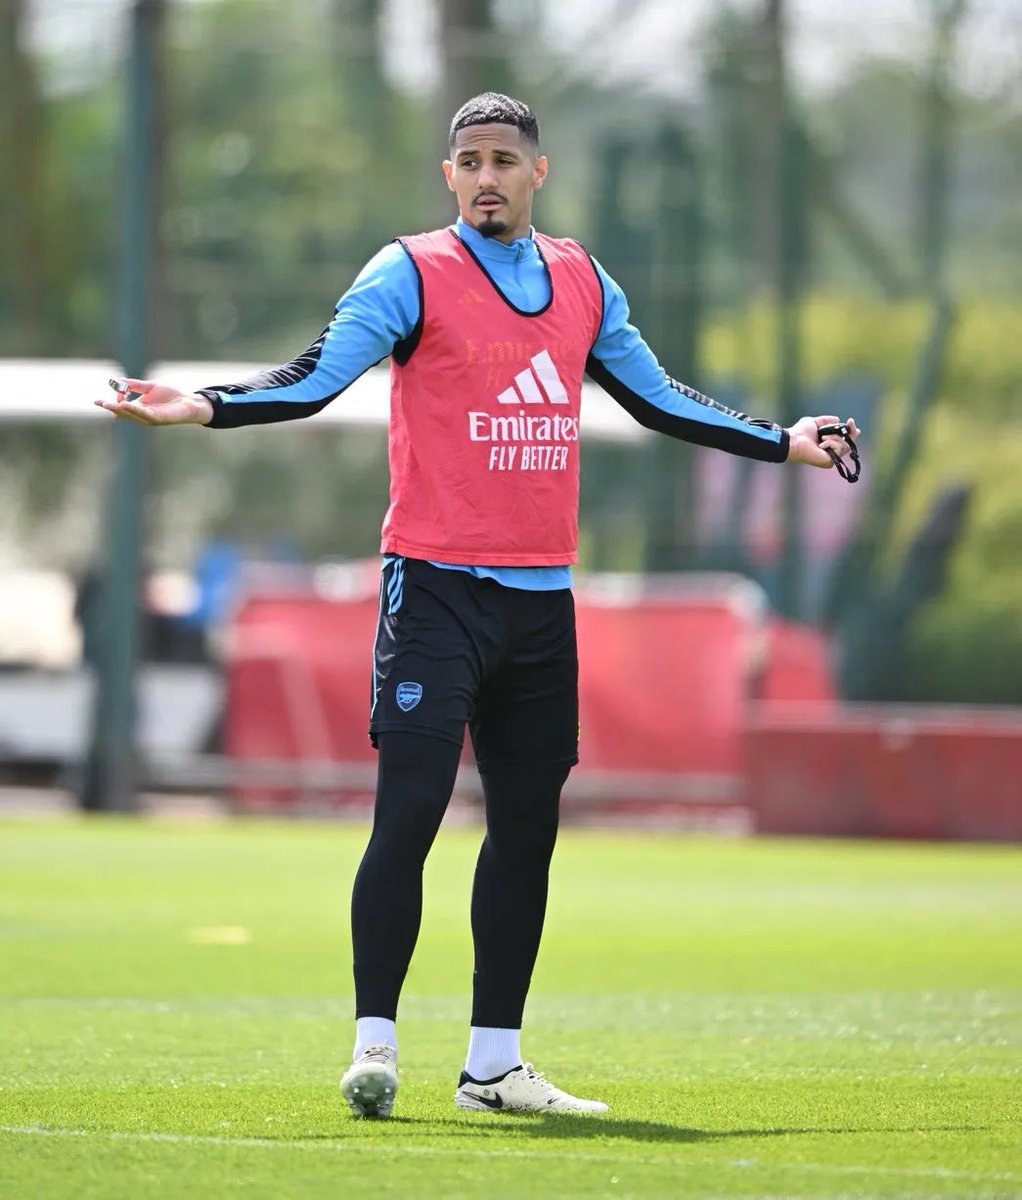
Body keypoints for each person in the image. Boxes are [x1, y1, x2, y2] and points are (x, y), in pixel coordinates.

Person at [96, 92, 858, 1119]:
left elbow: (659, 397)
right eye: (469, 160)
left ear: (536, 172)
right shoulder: (409, 272)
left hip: (541, 603)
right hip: (435, 591)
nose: (487, 175)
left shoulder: (583, 280)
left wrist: (780, 439)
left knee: (526, 829)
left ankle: (493, 1067)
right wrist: (210, 404)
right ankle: (374, 1045)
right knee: (407, 813)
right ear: (447, 176)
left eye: (505, 158)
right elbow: (319, 377)